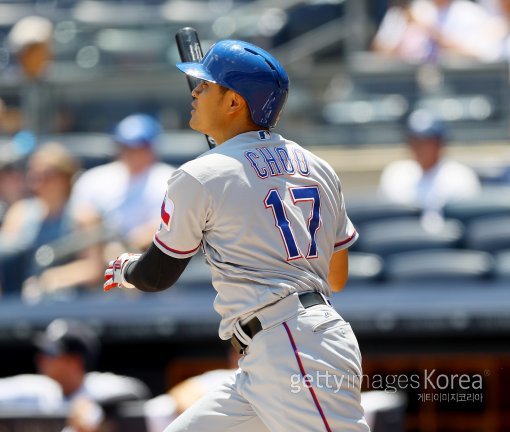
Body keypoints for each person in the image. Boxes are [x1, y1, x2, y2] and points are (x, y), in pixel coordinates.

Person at [103, 40, 369, 431]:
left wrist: (127, 268)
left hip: (292, 345)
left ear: (234, 102)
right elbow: (337, 277)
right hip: (280, 348)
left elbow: (156, 275)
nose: (194, 92)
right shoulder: (317, 166)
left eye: (206, 85)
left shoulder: (202, 174)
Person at [70, 114, 176, 253]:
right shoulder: (93, 178)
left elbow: (169, 225)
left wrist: (128, 246)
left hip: (149, 257)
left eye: (140, 147)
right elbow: (81, 217)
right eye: (126, 146)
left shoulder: (170, 178)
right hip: (98, 255)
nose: (132, 153)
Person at [378, 109, 481, 215]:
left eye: (427, 142)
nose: (420, 148)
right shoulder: (395, 175)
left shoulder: (460, 176)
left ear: (440, 144)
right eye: (415, 141)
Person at [372, 0, 501, 63]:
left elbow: (483, 53)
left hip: (456, 85)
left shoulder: (468, 12)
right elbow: (379, 52)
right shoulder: (411, 10)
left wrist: (431, 31)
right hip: (411, 86)